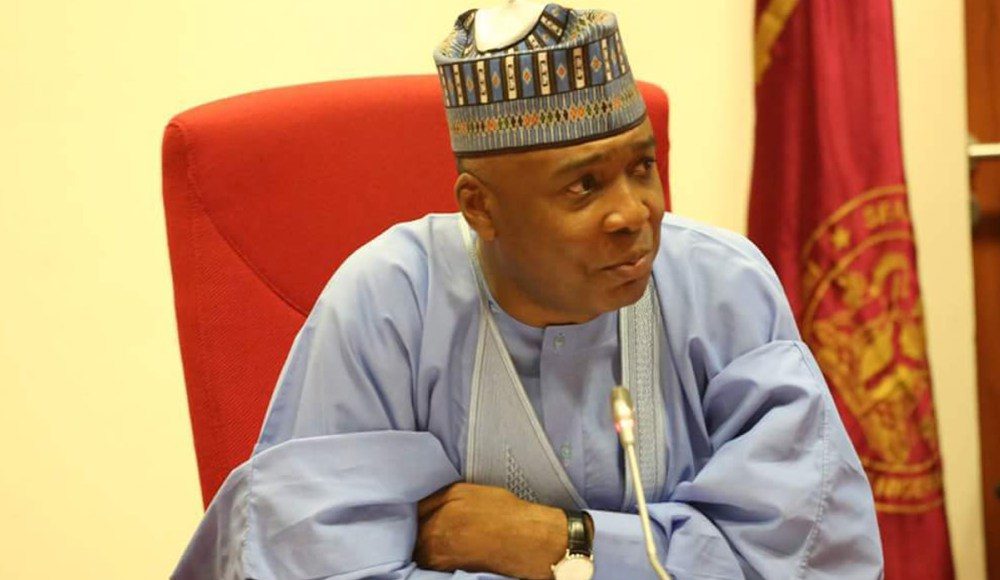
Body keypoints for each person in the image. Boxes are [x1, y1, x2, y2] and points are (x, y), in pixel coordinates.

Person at [173, 3, 884, 579]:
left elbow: (814, 559)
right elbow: (314, 566)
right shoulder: (389, 303)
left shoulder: (723, 289)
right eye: (584, 185)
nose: (634, 213)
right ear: (480, 208)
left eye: (642, 167)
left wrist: (555, 541)